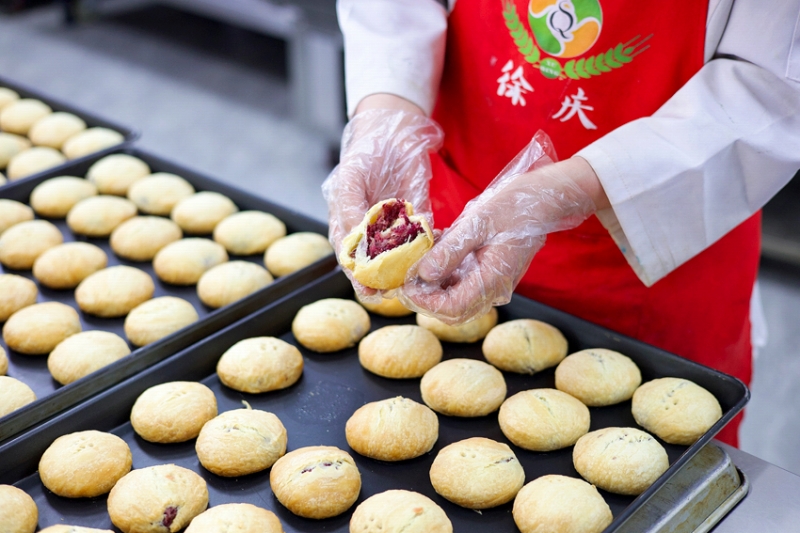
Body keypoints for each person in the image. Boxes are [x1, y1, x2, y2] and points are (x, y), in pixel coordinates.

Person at [324, 0, 800, 446]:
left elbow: (773, 86)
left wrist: (580, 185)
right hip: (456, 214)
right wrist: (388, 110)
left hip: (661, 235)